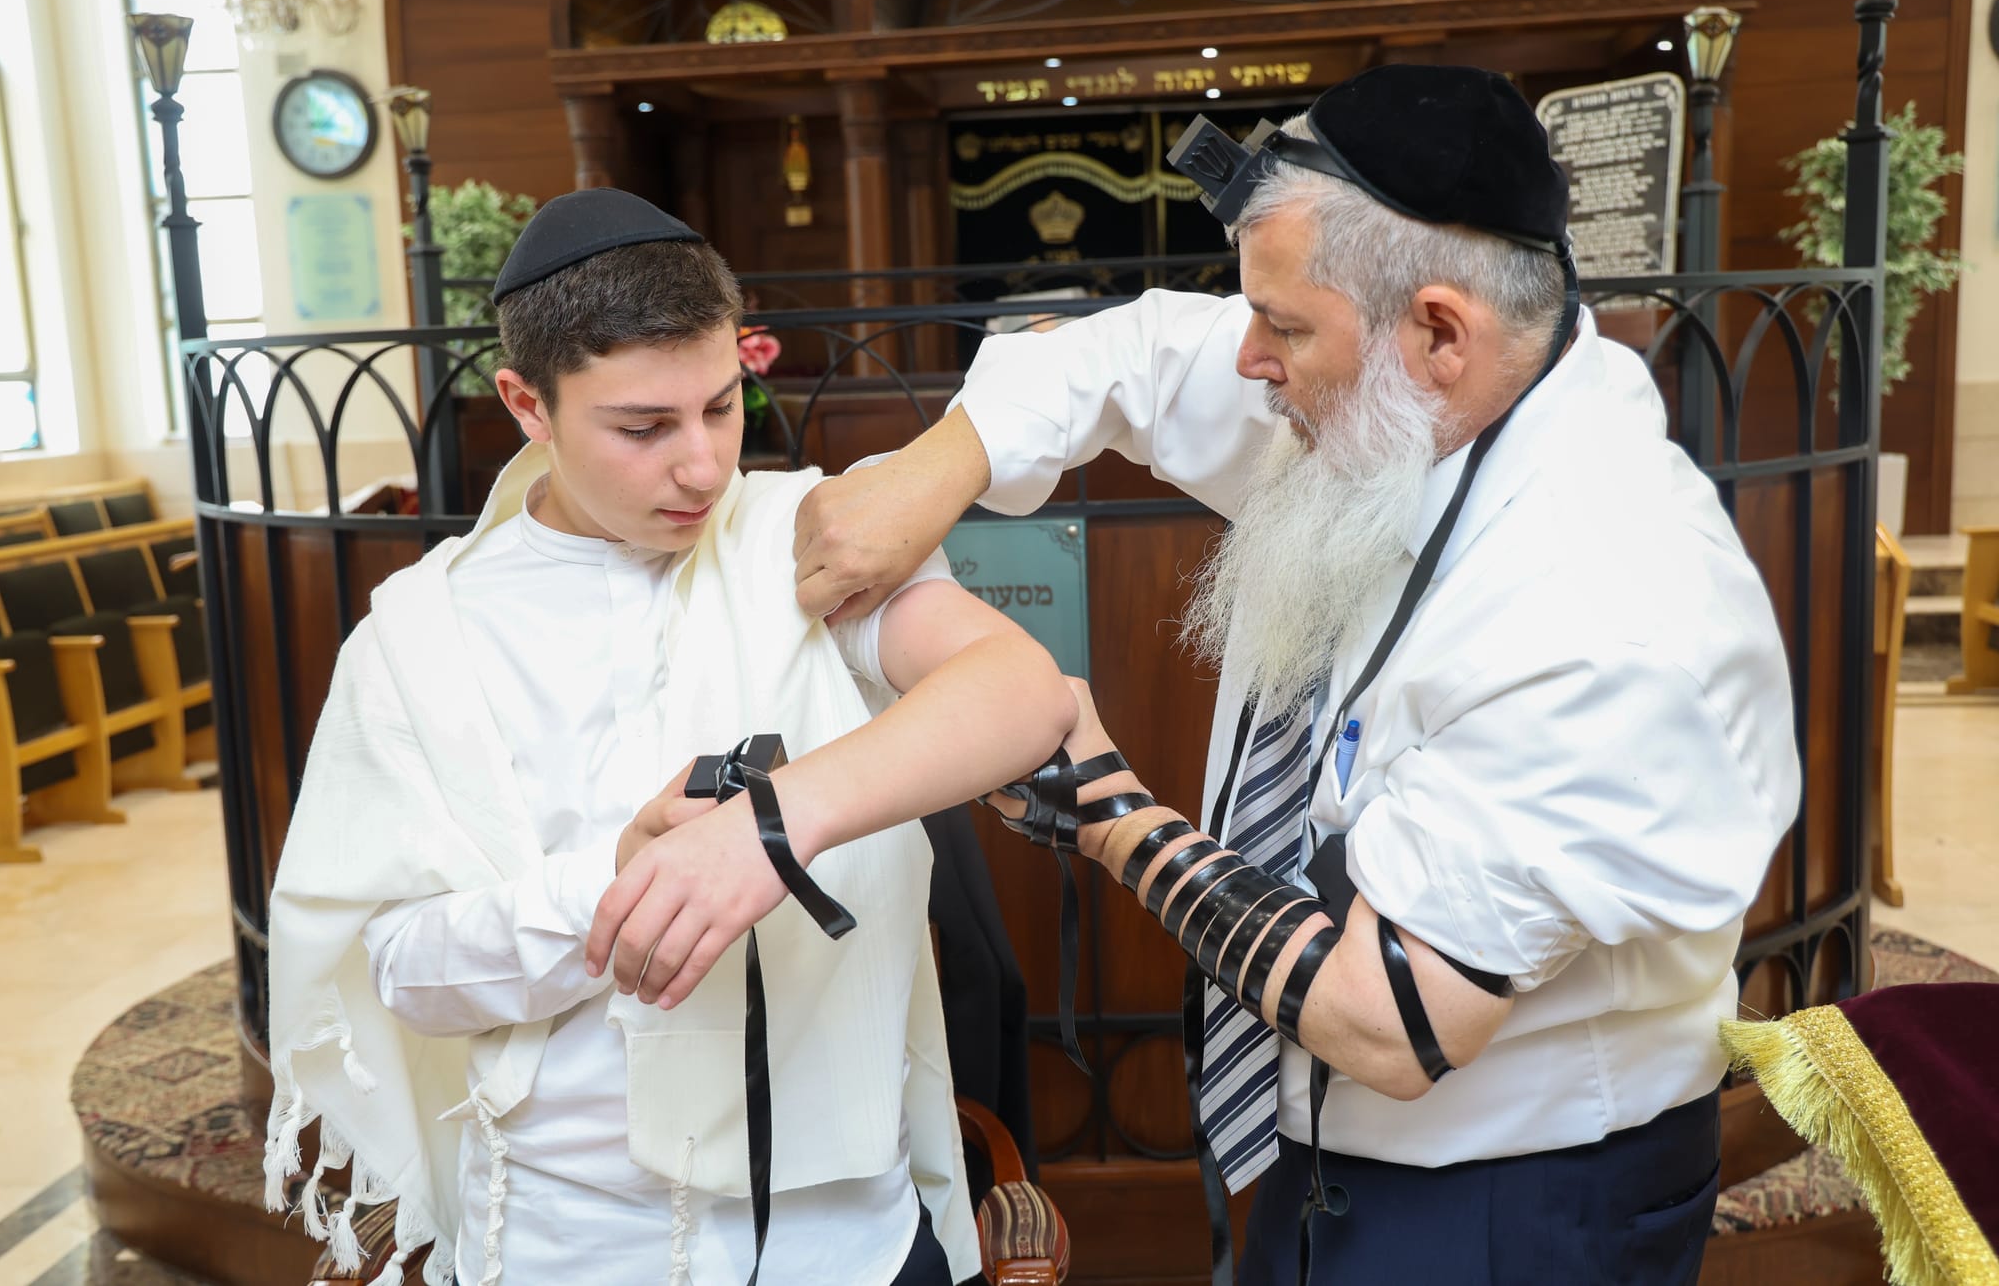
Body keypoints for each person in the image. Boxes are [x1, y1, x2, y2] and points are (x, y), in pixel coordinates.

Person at [786, 66, 1802, 1283]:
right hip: (1317, 1148)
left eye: (1284, 328)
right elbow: (1121, 353)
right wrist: (939, 465)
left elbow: (1392, 1018)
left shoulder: (1603, 609)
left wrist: (1110, 814)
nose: (1246, 358)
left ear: (1438, 332)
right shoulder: (1406, 392)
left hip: (1504, 1198)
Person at [261, 189, 1076, 1286]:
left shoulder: (807, 539)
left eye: (722, 405)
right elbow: (402, 971)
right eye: (643, 428)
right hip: (567, 1244)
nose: (702, 466)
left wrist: (764, 832)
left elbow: (1022, 690)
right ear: (527, 403)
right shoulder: (419, 636)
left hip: (842, 1240)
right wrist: (612, 887)